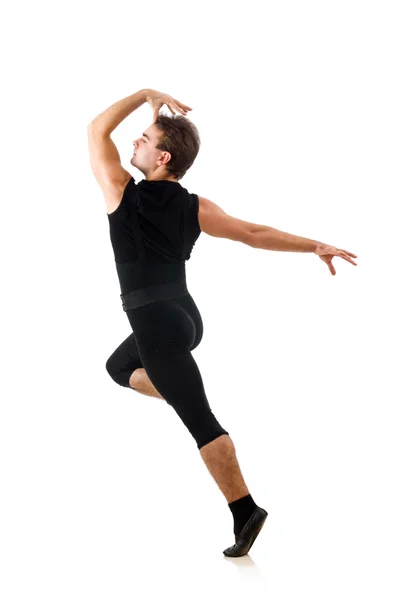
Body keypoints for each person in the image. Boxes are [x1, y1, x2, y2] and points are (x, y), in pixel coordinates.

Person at [87, 88, 358, 557]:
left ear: (162, 156)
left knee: (202, 423)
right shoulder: (195, 204)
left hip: (156, 325)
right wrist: (314, 244)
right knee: (117, 368)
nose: (135, 142)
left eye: (144, 138)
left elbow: (96, 130)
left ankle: (245, 511)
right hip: (185, 317)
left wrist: (146, 93)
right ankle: (181, 393)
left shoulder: (122, 196)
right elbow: (253, 234)